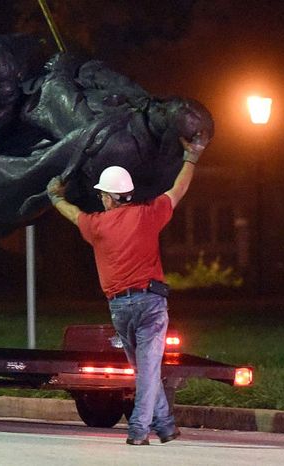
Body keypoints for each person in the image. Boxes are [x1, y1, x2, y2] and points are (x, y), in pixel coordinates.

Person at [47, 133, 209, 446]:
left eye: (103, 196)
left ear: (109, 197)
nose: (102, 200)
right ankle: (138, 431)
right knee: (148, 370)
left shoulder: (97, 226)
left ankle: (164, 427)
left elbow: (72, 215)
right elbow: (179, 190)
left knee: (145, 368)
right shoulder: (148, 215)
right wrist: (192, 157)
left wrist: (56, 198)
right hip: (150, 304)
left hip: (119, 309)